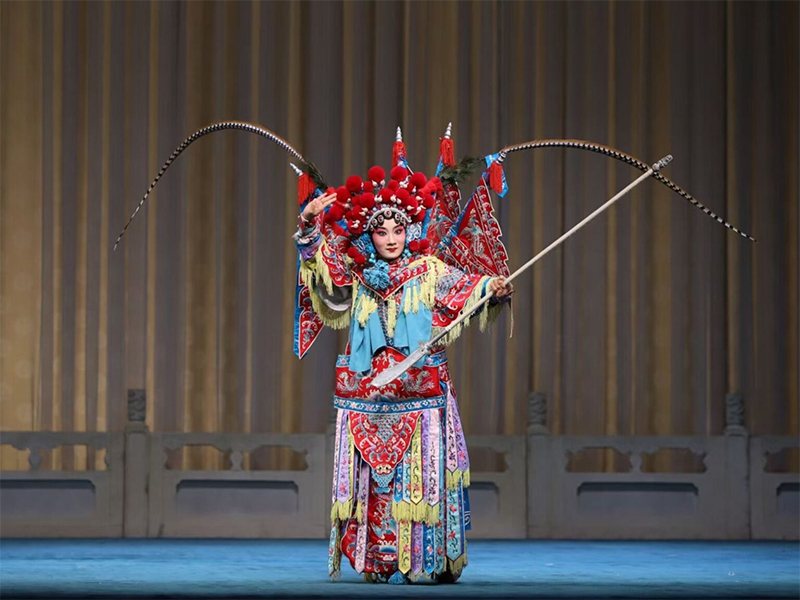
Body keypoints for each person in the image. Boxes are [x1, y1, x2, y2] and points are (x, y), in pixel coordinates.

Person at [293, 162, 512, 584]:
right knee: (372, 484)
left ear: (410, 229)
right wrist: (308, 226)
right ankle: (378, 559)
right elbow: (323, 280)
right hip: (369, 398)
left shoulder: (429, 271)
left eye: (398, 230)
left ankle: (425, 560)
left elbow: (467, 288)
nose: (391, 239)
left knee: (422, 478)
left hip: (419, 395)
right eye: (381, 232)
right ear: (369, 234)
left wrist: (493, 289)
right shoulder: (356, 275)